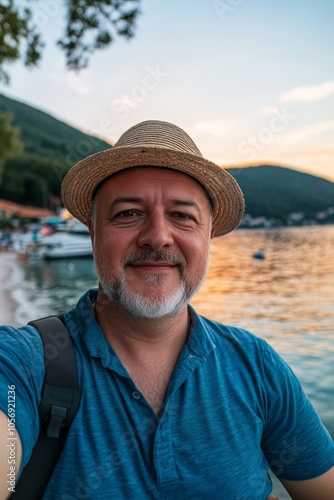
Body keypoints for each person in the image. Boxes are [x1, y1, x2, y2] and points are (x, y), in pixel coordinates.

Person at [0, 120, 333, 499]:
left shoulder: (256, 366)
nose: (157, 236)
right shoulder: (25, 364)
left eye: (182, 215)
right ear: (93, 232)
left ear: (207, 236)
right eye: (127, 213)